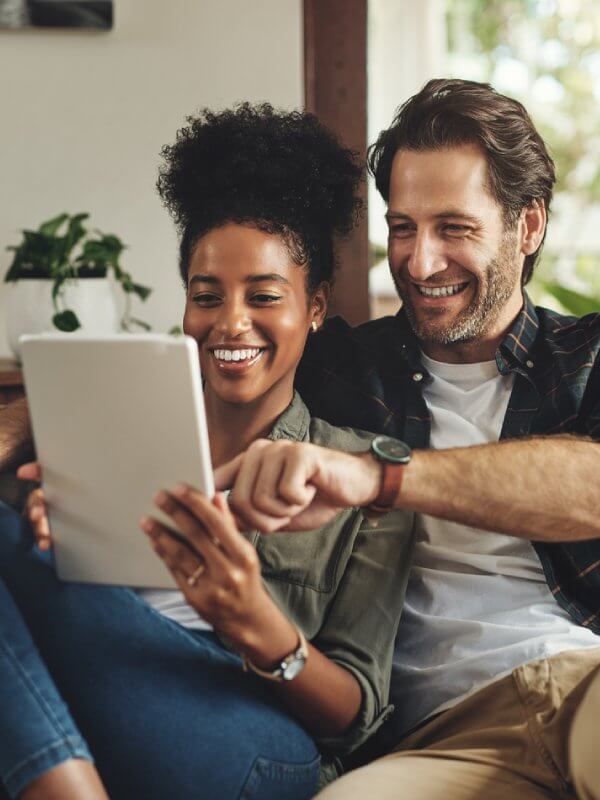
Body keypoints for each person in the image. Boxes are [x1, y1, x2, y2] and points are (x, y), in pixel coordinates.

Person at [0, 104, 415, 800]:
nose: (230, 323)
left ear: (314, 307)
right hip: (99, 702)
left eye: (264, 296)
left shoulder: (359, 477)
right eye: (206, 295)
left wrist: (252, 618)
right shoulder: (109, 424)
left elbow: (355, 717)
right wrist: (50, 542)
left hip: (251, 742)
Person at [211, 80, 600, 799]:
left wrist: (380, 477)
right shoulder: (340, 370)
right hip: (439, 739)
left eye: (455, 228)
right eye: (402, 227)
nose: (420, 264)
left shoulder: (590, 356)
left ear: (530, 227)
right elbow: (184, 378)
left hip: (588, 688)